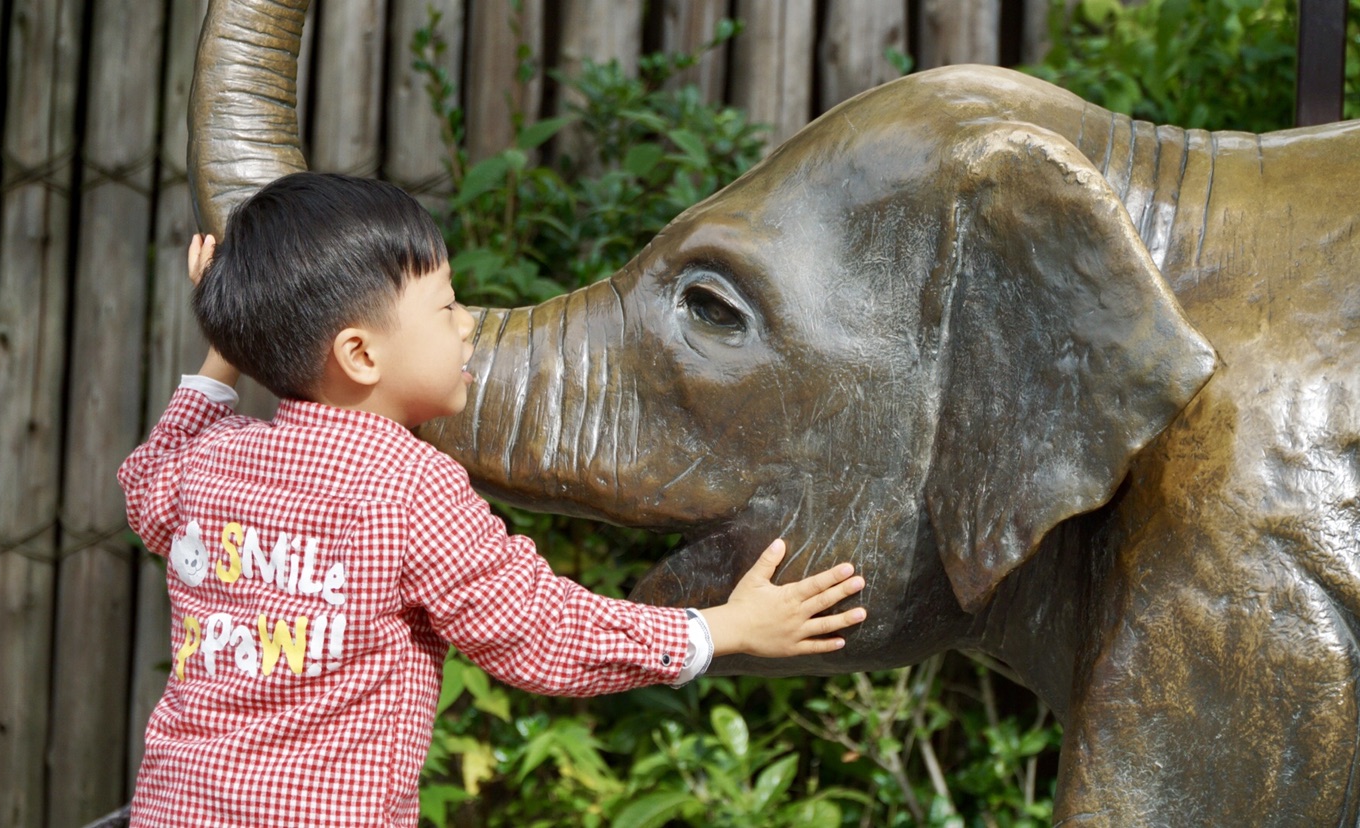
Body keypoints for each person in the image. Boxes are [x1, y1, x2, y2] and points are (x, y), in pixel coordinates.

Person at [119, 172, 866, 827]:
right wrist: (721, 630)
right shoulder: (410, 488)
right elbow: (541, 634)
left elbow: (146, 490)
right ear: (360, 354)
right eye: (445, 309)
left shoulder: (211, 462)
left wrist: (223, 356)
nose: (468, 322)